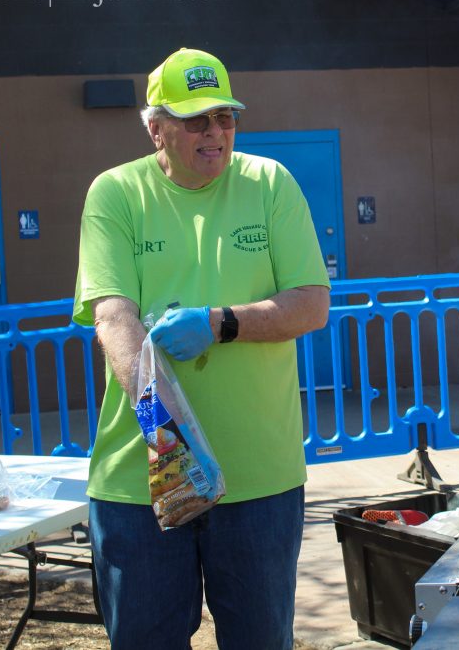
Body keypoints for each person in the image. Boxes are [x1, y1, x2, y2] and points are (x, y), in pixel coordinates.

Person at [72, 47, 331, 649]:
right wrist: (170, 439)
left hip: (258, 478)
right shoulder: (116, 192)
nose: (214, 132)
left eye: (225, 117)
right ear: (156, 128)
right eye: (195, 120)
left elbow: (311, 304)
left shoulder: (270, 183)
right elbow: (113, 316)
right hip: (141, 479)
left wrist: (221, 323)